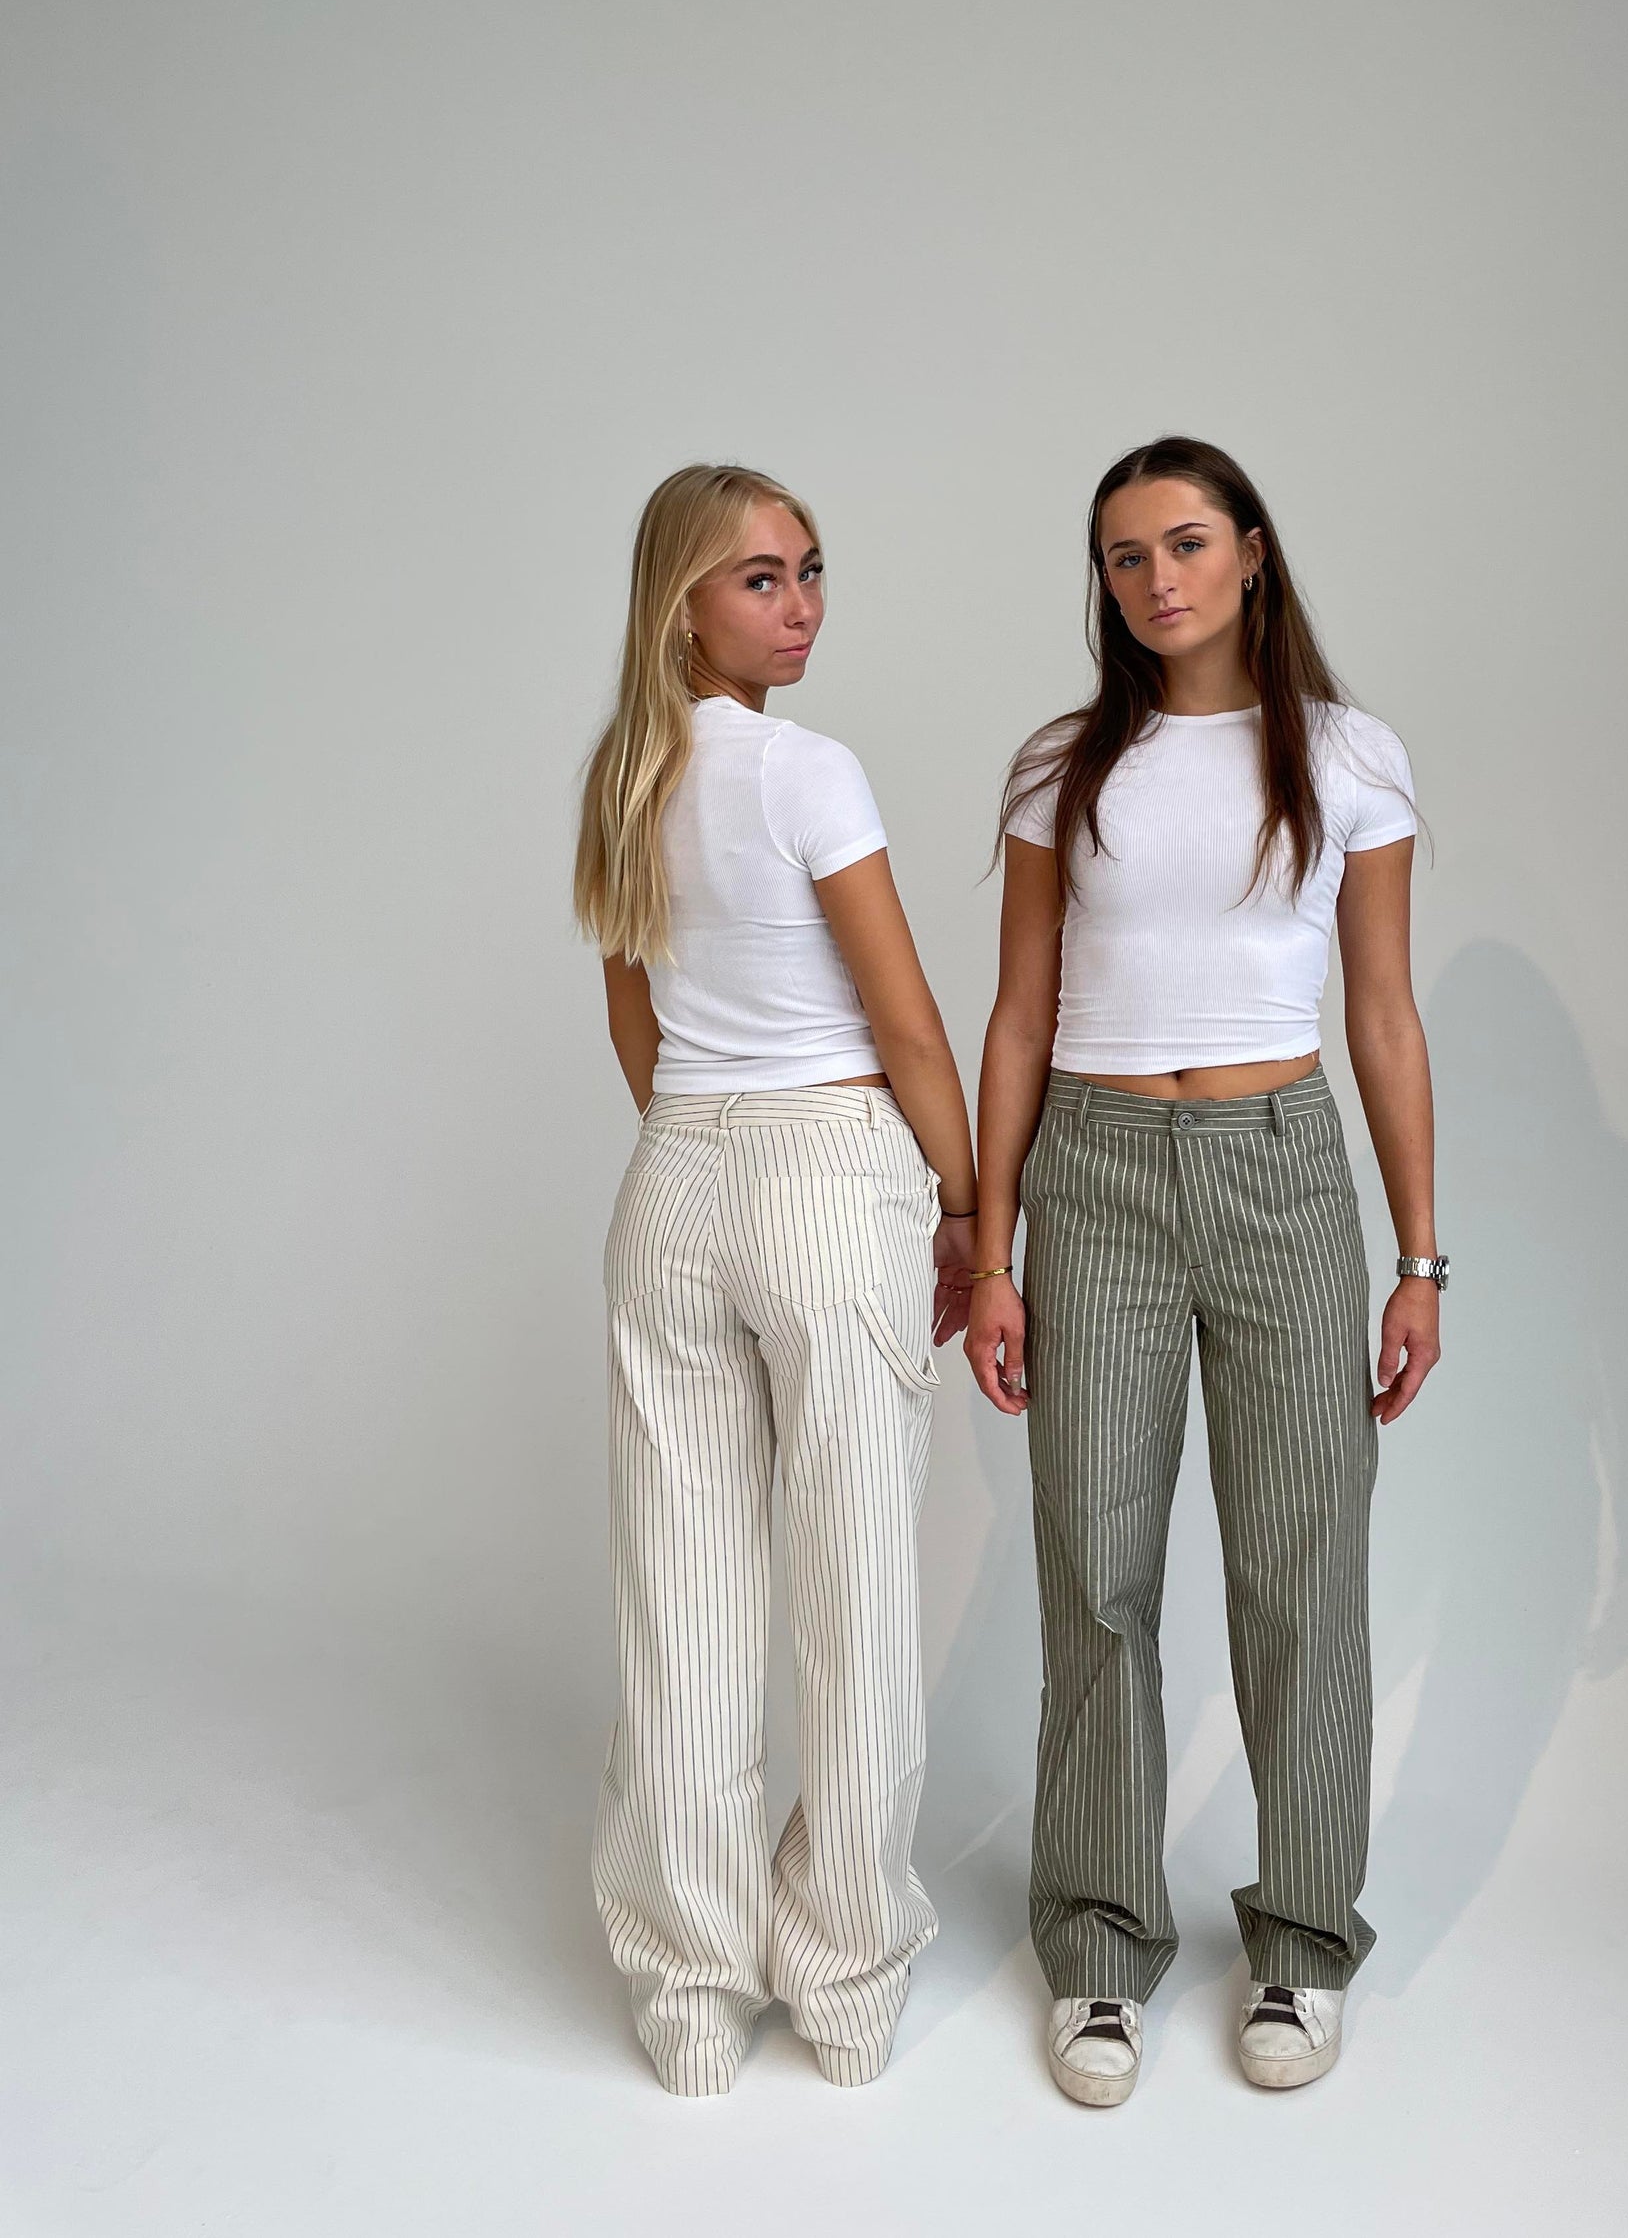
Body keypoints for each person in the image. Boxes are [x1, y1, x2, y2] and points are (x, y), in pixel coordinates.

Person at [963, 436, 1445, 2106]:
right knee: (1095, 1574)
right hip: (1093, 1177)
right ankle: (1100, 1947)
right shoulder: (1062, 765)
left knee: (1302, 1572)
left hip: (1283, 1176)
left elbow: (1382, 1014)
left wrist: (1421, 1257)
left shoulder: (1349, 757)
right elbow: (1018, 1016)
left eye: (1183, 543)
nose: (1155, 579)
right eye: (1123, 556)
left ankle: (1303, 1941)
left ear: (1250, 552)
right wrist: (992, 1243)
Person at [574, 464, 977, 2097]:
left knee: (682, 1600)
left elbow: (632, 1016)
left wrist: (700, 1150)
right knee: (855, 1593)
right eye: (760, 578)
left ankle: (686, 1998)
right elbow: (908, 1024)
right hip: (829, 1174)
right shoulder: (808, 771)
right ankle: (847, 1986)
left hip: (671, 1182)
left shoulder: (625, 774)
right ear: (681, 600)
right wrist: (968, 1210)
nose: (800, 605)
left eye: (812, 571)